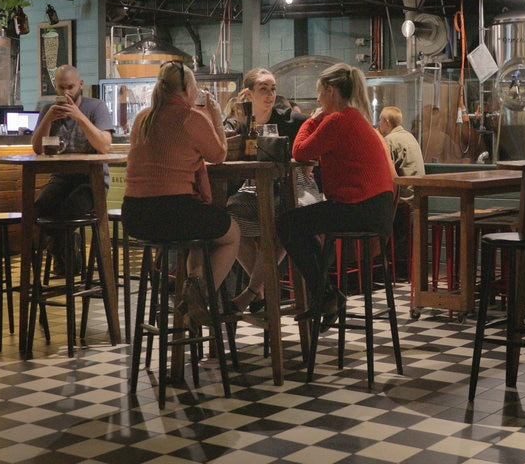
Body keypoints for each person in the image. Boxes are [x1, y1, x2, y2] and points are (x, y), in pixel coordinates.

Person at [276, 63, 395, 332]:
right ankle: (327, 294)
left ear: (331, 91)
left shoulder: (338, 120)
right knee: (302, 223)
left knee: (287, 224)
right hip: (375, 208)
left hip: (360, 208)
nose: (317, 100)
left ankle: (327, 295)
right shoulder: (354, 118)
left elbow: (300, 151)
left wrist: (312, 119)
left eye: (319, 93)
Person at [121, 62, 240, 318]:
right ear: (187, 88)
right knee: (232, 234)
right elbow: (218, 154)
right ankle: (198, 296)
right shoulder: (191, 117)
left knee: (201, 229)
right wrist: (215, 115)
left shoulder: (143, 117)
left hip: (134, 215)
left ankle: (193, 287)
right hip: (172, 212)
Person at [224, 68, 318, 313]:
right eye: (263, 89)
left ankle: (252, 291)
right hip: (255, 187)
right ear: (248, 93)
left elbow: (315, 134)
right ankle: (261, 286)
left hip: (293, 186)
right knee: (229, 221)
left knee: (290, 219)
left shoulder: (289, 120)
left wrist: (309, 158)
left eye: (273, 89)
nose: (270, 94)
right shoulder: (237, 122)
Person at [31, 64, 113, 274]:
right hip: (61, 178)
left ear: (80, 85)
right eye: (61, 88)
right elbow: (37, 148)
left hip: (91, 180)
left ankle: (64, 252)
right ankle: (67, 247)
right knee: (38, 210)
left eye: (70, 87)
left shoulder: (96, 107)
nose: (66, 92)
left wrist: (79, 117)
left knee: (70, 211)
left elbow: (104, 146)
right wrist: (48, 118)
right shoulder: (48, 110)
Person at [377, 106, 424, 281]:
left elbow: (386, 173)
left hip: (404, 201)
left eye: (380, 121)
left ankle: (384, 269)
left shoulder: (389, 140)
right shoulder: (410, 137)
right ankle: (401, 268)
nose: (378, 124)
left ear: (386, 122)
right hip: (417, 198)